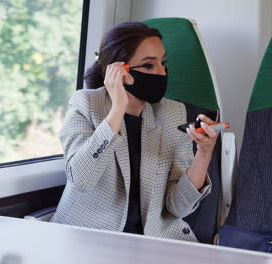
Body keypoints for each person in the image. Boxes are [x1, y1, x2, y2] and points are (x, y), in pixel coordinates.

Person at [51, 21, 218, 242]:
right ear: (117, 70)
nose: (161, 72)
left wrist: (204, 153)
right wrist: (118, 108)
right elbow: (81, 180)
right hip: (90, 237)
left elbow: (179, 208)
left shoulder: (172, 113)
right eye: (149, 66)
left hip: (154, 241)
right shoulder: (86, 104)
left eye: (163, 63)